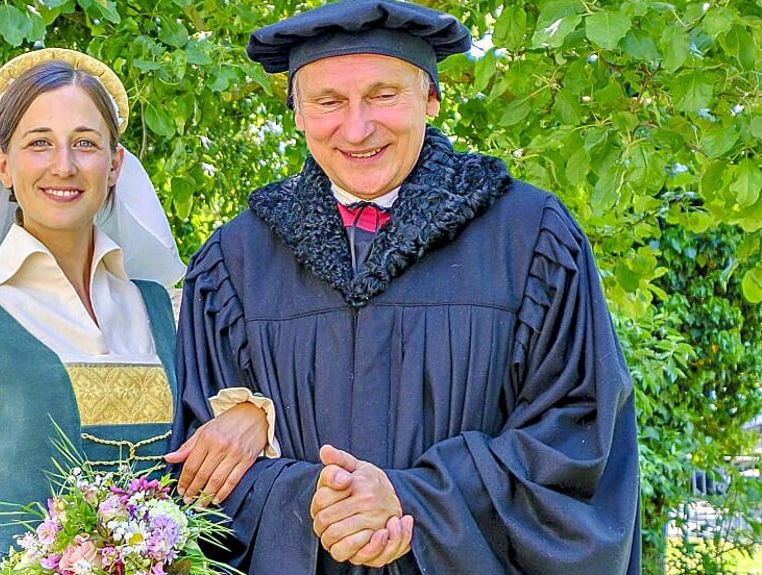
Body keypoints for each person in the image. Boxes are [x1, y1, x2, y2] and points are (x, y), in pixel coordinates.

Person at [173, 0, 641, 573]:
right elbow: (201, 478)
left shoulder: (529, 239)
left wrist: (411, 502)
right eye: (328, 102)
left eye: (383, 96)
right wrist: (311, 503)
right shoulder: (235, 264)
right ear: (296, 114)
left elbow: (579, 437)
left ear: (432, 99)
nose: (357, 128)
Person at [0, 48, 274, 575]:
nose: (64, 165)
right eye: (39, 143)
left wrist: (251, 417)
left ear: (114, 164)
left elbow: (236, 461)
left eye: (85, 143)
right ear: (4, 165)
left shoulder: (171, 313)